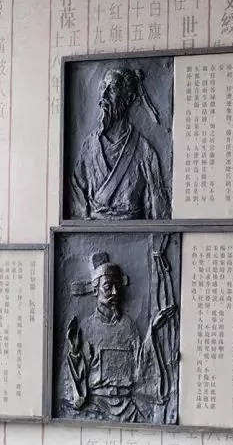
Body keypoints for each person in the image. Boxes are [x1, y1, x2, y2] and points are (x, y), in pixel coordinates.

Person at [65, 252, 176, 422]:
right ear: (95, 290)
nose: (115, 292)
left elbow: (141, 364)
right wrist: (74, 352)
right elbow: (78, 379)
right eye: (108, 287)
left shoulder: (128, 325)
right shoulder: (86, 327)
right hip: (96, 406)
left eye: (117, 286)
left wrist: (153, 330)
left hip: (128, 407)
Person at [70, 67, 171, 220]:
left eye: (112, 89)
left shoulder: (144, 151)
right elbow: (75, 196)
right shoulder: (90, 147)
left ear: (129, 98)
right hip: (93, 232)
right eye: (103, 87)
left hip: (134, 234)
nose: (103, 95)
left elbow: (159, 214)